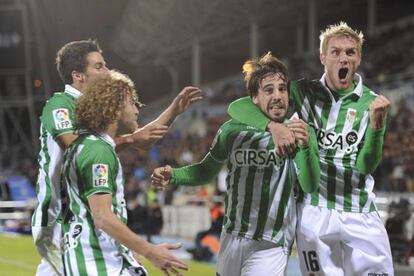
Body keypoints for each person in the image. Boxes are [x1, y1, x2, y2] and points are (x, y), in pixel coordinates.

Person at [227, 22, 393, 275]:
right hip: (314, 212)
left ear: (358, 58)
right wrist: (273, 126)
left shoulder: (373, 104)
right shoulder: (302, 91)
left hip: (359, 211)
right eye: (335, 52)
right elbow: (237, 107)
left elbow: (365, 166)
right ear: (322, 57)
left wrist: (377, 127)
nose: (343, 58)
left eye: (350, 52)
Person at [31, 39, 201, 275]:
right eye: (99, 66)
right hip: (59, 216)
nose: (108, 72)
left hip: (81, 214)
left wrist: (173, 110)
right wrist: (129, 139)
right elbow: (75, 146)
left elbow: (141, 136)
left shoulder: (97, 121)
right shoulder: (60, 104)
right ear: (78, 75)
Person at [151, 52, 320, 276]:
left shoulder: (298, 130)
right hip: (232, 236)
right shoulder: (232, 131)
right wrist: (173, 175)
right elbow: (205, 170)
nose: (278, 95)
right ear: (254, 98)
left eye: (282, 88)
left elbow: (309, 184)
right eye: (269, 90)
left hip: (272, 241)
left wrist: (307, 147)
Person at [61, 70, 188, 275]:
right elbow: (102, 216)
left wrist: (130, 250)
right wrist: (149, 251)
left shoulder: (89, 145)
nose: (137, 108)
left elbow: (143, 139)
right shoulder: (98, 151)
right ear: (115, 106)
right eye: (132, 101)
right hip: (99, 264)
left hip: (96, 258)